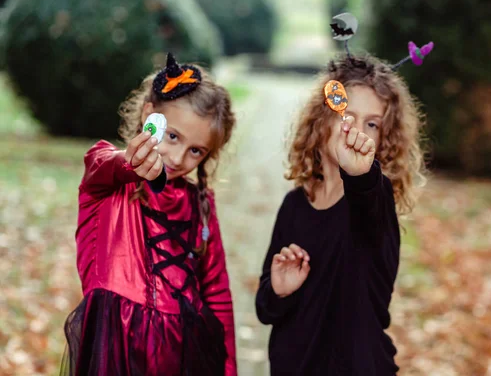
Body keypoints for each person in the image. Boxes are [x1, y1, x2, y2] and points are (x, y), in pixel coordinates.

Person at [61, 53, 237, 376]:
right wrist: (134, 164)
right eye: (172, 137)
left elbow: (217, 294)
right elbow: (102, 165)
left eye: (196, 150)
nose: (178, 157)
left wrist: (228, 370)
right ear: (149, 115)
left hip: (185, 359)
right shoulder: (108, 181)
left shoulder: (201, 204)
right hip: (114, 355)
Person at [255, 51, 427, 375]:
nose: (354, 127)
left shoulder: (375, 201)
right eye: (344, 113)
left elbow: (368, 198)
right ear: (321, 121)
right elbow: (265, 309)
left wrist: (361, 174)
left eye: (372, 123)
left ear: (383, 139)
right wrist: (278, 289)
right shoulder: (294, 206)